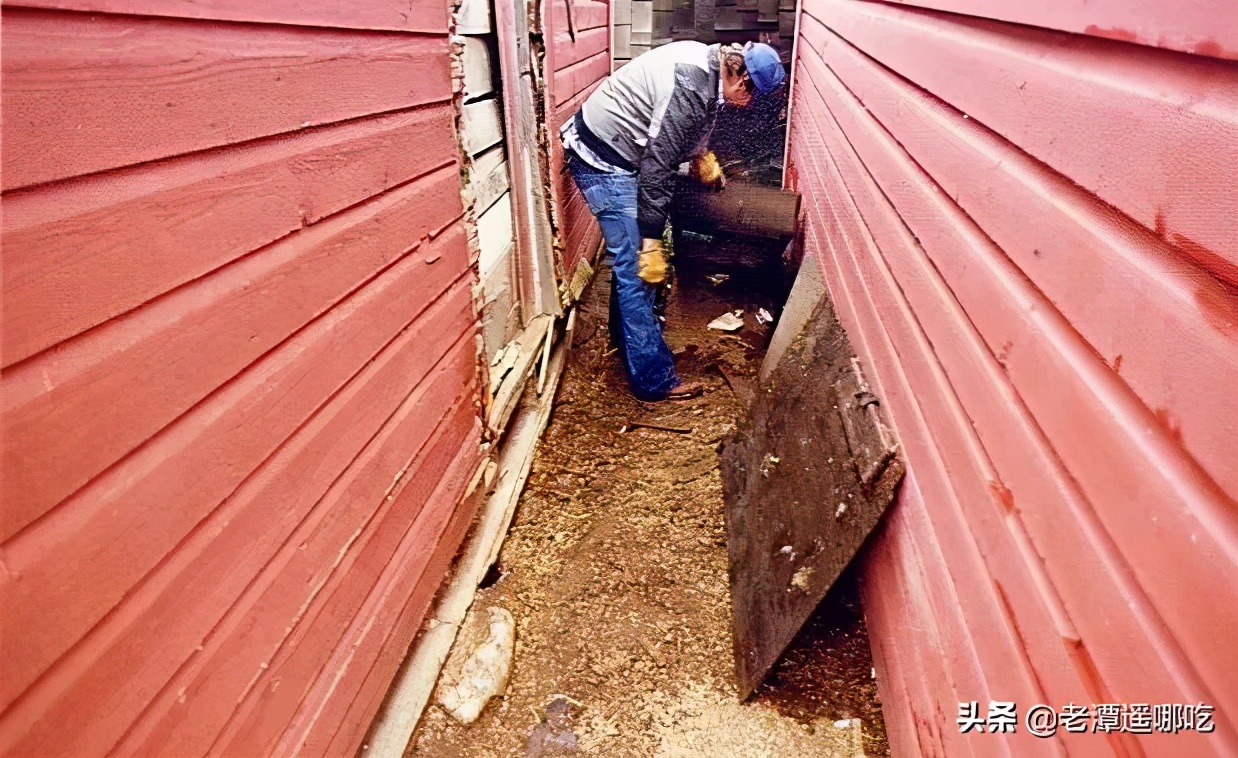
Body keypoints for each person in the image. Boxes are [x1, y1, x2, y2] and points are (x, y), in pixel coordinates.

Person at [560, 40, 786, 401]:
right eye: (753, 98)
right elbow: (657, 166)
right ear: (743, 80)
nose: (751, 107)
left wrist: (700, 155)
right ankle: (654, 381)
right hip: (601, 158)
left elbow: (691, 122)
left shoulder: (711, 65)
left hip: (624, 150)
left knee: (638, 264)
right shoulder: (691, 83)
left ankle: (631, 347)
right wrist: (650, 240)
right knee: (637, 266)